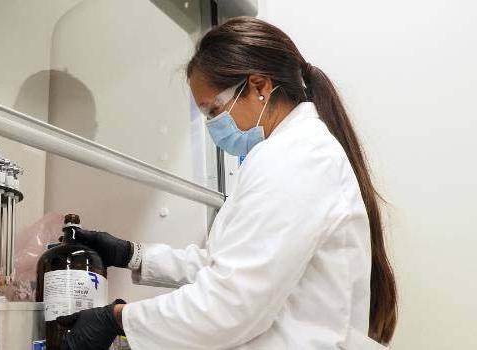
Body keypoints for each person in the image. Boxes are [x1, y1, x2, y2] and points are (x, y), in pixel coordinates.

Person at [55, 17, 397, 350]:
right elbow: (226, 265)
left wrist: (118, 318)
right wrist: (133, 255)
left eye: (213, 110)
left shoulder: (294, 159)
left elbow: (230, 305)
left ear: (260, 87)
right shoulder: (291, 153)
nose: (212, 125)